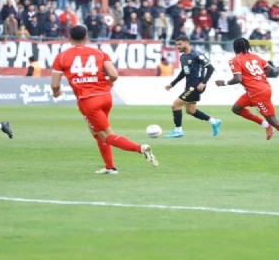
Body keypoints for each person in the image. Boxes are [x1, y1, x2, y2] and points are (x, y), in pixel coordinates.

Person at [51, 25, 158, 174]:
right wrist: (109, 83)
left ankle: (140, 148)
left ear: (69, 39)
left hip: (88, 101)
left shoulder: (62, 57)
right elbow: (113, 74)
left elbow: (55, 84)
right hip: (106, 97)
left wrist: (56, 92)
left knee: (107, 135)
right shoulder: (99, 53)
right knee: (95, 132)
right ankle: (110, 167)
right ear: (86, 38)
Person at [215, 38, 279, 152]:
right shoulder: (255, 57)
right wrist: (257, 77)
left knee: (272, 120)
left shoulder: (235, 60)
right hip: (261, 89)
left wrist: (223, 83)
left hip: (257, 93)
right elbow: (270, 68)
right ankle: (266, 126)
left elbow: (237, 79)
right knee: (236, 108)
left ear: (235, 48)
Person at [164, 35, 221, 138]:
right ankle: (214, 122)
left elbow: (211, 68)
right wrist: (172, 84)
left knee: (175, 105)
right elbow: (183, 72)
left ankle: (178, 131)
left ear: (186, 43)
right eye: (176, 45)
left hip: (196, 85)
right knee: (190, 110)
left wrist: (203, 82)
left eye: (179, 44)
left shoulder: (197, 55)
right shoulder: (183, 57)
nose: (178, 47)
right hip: (189, 86)